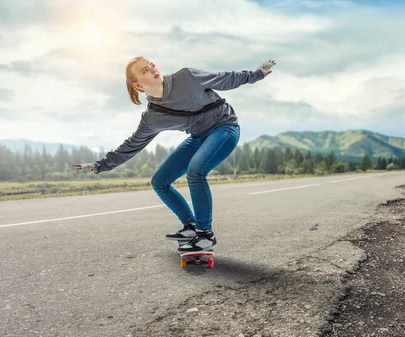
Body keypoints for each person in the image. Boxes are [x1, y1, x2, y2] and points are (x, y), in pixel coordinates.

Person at [74, 56, 276, 252]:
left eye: (152, 65)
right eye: (145, 70)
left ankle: (205, 235)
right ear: (138, 86)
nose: (153, 69)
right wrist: (102, 165)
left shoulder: (186, 77)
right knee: (159, 181)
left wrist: (257, 74)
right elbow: (133, 144)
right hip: (199, 137)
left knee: (195, 172)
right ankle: (190, 227)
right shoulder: (153, 117)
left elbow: (225, 78)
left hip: (224, 127)